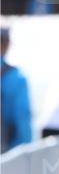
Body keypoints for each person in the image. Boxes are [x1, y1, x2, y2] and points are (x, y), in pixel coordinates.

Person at [0, 24, 32, 153]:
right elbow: (22, 116)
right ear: (7, 44)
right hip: (5, 150)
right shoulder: (16, 77)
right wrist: (27, 148)